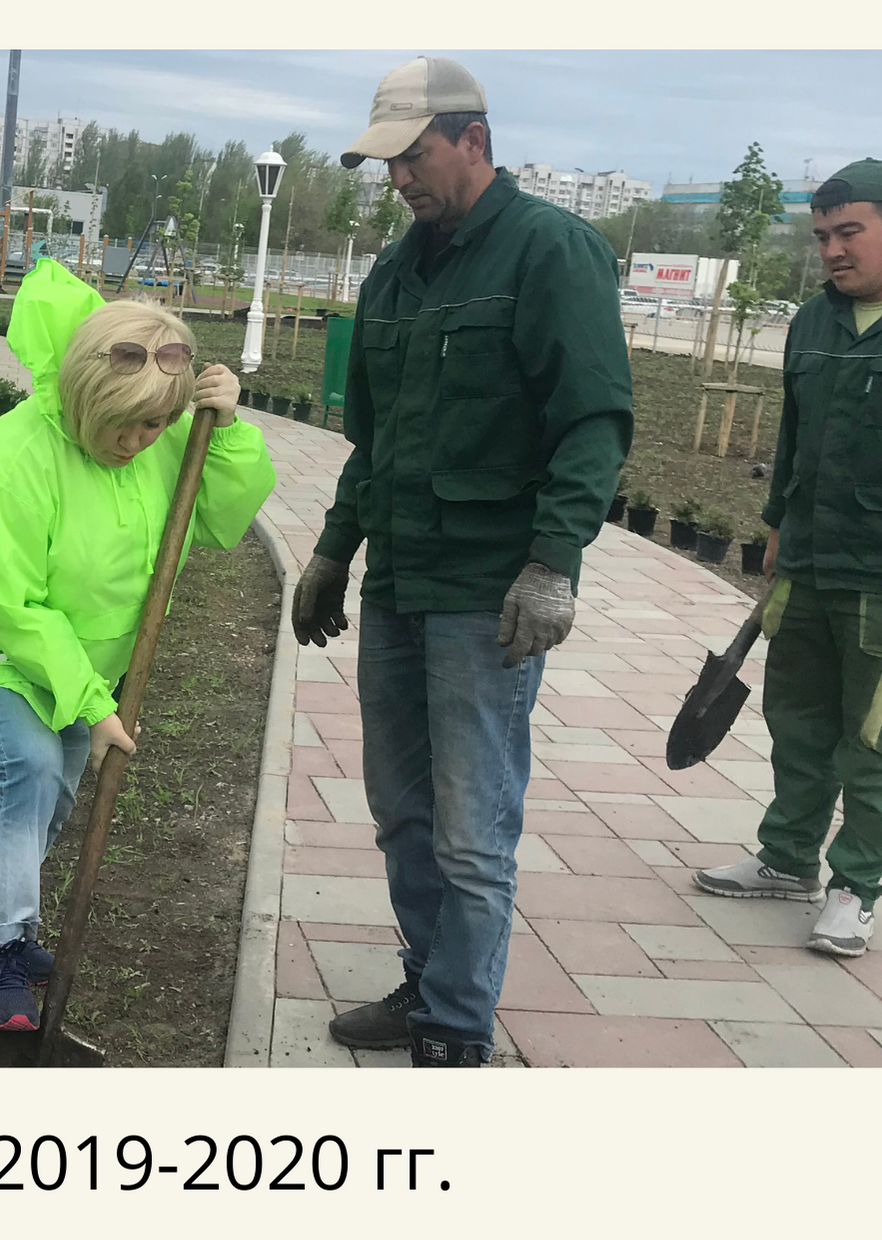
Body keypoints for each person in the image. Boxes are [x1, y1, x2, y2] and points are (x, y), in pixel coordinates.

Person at [293, 57, 632, 1066]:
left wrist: (553, 562)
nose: (397, 177)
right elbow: (373, 440)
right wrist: (332, 551)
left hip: (487, 597)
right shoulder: (393, 274)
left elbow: (592, 422)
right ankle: (428, 976)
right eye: (386, 162)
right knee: (401, 812)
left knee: (471, 829)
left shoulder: (550, 252)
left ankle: (455, 1027)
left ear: (472, 139)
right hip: (399, 583)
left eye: (412, 155)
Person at [0, 260, 276, 1031]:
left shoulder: (155, 438)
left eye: (155, 425)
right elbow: (10, 604)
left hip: (80, 660)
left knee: (56, 795)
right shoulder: (14, 457)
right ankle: (4, 954)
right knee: (33, 765)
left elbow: (219, 523)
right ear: (85, 396)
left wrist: (227, 434)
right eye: (124, 426)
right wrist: (90, 704)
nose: (137, 442)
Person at [695, 161, 882, 957]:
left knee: (876, 742)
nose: (831, 250)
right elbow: (792, 433)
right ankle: (786, 859)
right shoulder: (813, 321)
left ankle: (856, 888)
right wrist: (776, 520)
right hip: (809, 563)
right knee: (797, 722)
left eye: (848, 232)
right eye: (821, 236)